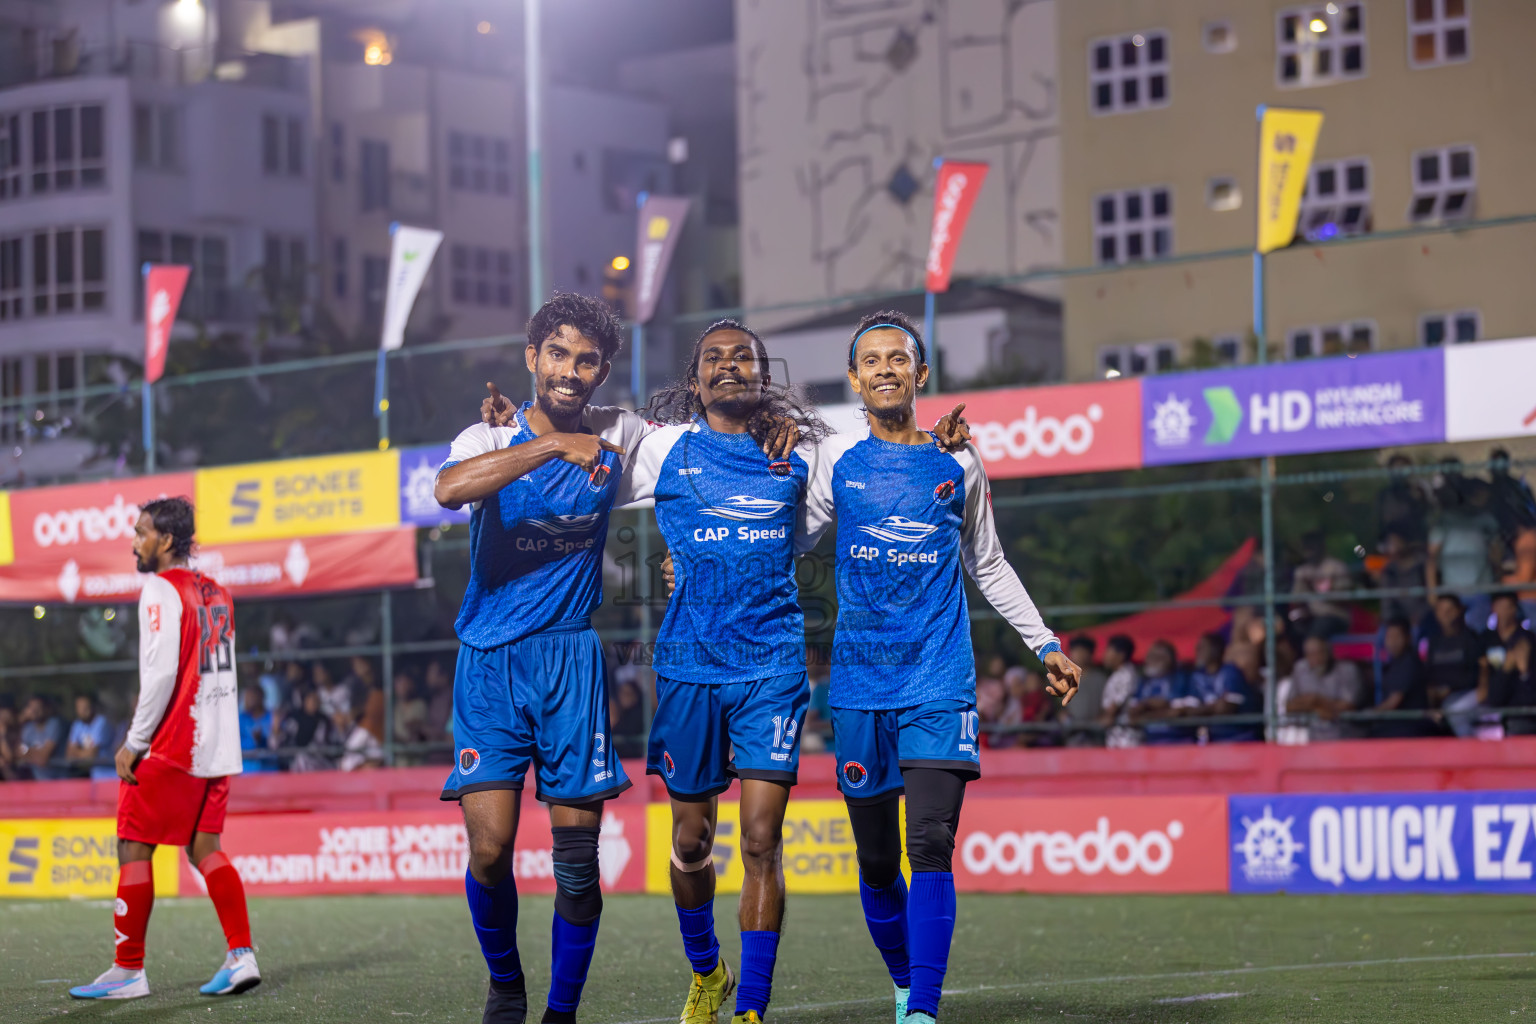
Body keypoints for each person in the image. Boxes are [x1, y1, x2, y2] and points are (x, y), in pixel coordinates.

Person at [801, 311, 1080, 1024]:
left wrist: (1045, 644)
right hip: (860, 686)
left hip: (937, 679)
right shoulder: (836, 461)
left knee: (929, 843)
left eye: (901, 357)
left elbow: (987, 563)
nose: (887, 367)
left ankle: (921, 1011)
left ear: (921, 375)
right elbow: (788, 537)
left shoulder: (959, 462)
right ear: (857, 380)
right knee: (874, 862)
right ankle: (903, 981)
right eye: (873, 360)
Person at [432, 294, 669, 1024]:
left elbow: (702, 457)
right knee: (490, 849)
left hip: (570, 660)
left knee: (576, 861)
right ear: (533, 357)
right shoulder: (486, 436)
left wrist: (683, 557)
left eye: (587, 359)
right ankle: (506, 988)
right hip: (489, 661)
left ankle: (560, 1015)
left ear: (603, 371)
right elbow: (447, 491)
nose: (571, 370)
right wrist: (544, 446)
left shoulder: (621, 436)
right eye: (558, 354)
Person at [609, 317, 831, 1024]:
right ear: (695, 377)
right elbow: (589, 455)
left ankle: (753, 1010)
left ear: (763, 376)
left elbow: (855, 482)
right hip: (687, 669)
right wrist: (517, 430)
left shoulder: (799, 457)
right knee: (690, 841)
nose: (730, 365)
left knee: (762, 839)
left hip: (770, 666)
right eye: (715, 358)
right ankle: (708, 972)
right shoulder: (666, 450)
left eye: (744, 357)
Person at [69, 497, 259, 1001]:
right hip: (219, 745)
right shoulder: (218, 590)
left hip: (174, 742)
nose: (135, 541)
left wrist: (134, 742)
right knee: (205, 849)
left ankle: (128, 970)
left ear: (166, 541)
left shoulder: (158, 588)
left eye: (141, 532)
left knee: (133, 845)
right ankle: (241, 956)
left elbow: (161, 675)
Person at [1427, 457, 1501, 627]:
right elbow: (1431, 559)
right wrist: (1432, 593)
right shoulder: (1445, 521)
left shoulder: (1487, 520)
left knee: (1477, 637)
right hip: (1452, 594)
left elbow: (1496, 555)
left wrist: (1497, 581)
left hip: (1481, 591)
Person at [1179, 632, 1262, 743]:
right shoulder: (1197, 676)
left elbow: (1226, 708)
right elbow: (1189, 712)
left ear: (1216, 649)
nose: (1197, 650)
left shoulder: (1231, 672)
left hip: (1240, 737)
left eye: (1203, 647)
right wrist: (1214, 707)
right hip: (1214, 739)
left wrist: (1203, 709)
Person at [1425, 593, 1486, 737]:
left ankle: (1470, 753)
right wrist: (1432, 703)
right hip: (1441, 699)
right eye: (1441, 610)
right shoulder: (1434, 642)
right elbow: (1429, 677)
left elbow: (1477, 675)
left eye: (1449, 609)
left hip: (1469, 694)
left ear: (1459, 611)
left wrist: (1448, 690)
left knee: (1454, 710)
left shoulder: (1471, 638)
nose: (1445, 614)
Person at [1286, 634, 1365, 741]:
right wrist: (1316, 706)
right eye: (1310, 654)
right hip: (1315, 741)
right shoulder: (1300, 669)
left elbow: (1348, 706)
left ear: (1329, 652)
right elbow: (1289, 706)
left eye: (1319, 653)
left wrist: (1317, 700)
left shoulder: (1347, 670)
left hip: (1346, 739)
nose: (1315, 659)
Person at [1372, 617, 1431, 738]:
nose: (1392, 642)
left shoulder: (1410, 662)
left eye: (1397, 636)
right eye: (1389, 637)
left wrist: (1369, 714)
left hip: (1410, 726)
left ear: (1408, 638)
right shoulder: (1392, 663)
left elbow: (1394, 701)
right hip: (1395, 724)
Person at [1290, 531, 1353, 638]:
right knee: (1292, 629)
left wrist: (1317, 588)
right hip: (1311, 616)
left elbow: (1345, 599)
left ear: (1321, 546)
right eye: (1306, 546)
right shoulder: (1301, 571)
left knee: (1319, 628)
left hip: (1334, 616)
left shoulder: (1336, 567)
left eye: (1312, 545)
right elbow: (1295, 599)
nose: (1309, 550)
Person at [1126, 639, 1189, 744]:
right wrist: (1150, 705)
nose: (1152, 660)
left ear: (1171, 659)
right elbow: (1133, 712)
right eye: (1150, 656)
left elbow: (1177, 712)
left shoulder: (1181, 678)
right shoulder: (1143, 681)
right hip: (1149, 741)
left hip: (1177, 741)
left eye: (1158, 657)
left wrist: (1146, 711)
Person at [1062, 637, 1107, 747]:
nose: (1079, 654)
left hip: (1095, 735)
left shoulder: (1101, 679)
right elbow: (1059, 708)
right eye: (1075, 651)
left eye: (1082, 651)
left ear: (1090, 654)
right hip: (1073, 734)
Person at [1376, 454, 1429, 546]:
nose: (1400, 472)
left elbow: (1426, 514)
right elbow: (1380, 521)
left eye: (1403, 468)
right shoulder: (1385, 495)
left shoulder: (1418, 491)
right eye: (1396, 468)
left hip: (1416, 542)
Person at [1099, 634, 1141, 749]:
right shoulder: (1116, 674)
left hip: (1126, 737)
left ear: (1121, 654)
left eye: (1108, 651)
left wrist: (1106, 717)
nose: (1105, 655)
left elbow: (1117, 703)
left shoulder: (1127, 673)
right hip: (1114, 735)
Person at [65, 694, 114, 779]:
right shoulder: (77, 724)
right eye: (80, 707)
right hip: (94, 776)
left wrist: (78, 752)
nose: (83, 710)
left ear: (93, 707)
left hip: (110, 775)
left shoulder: (101, 722)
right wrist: (85, 754)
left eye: (86, 707)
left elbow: (92, 755)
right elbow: (69, 754)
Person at [18, 695, 65, 780]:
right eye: (31, 708)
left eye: (38, 707)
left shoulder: (54, 724)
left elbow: (43, 758)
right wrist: (22, 719)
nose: (34, 711)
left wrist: (28, 752)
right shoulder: (28, 728)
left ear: (46, 709)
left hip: (58, 781)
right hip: (39, 782)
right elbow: (18, 752)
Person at [236, 687, 274, 774]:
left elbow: (276, 744)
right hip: (247, 773)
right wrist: (254, 741)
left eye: (252, 696)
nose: (248, 700)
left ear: (261, 697)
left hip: (269, 771)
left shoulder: (272, 717)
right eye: (247, 697)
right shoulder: (241, 718)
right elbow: (236, 743)